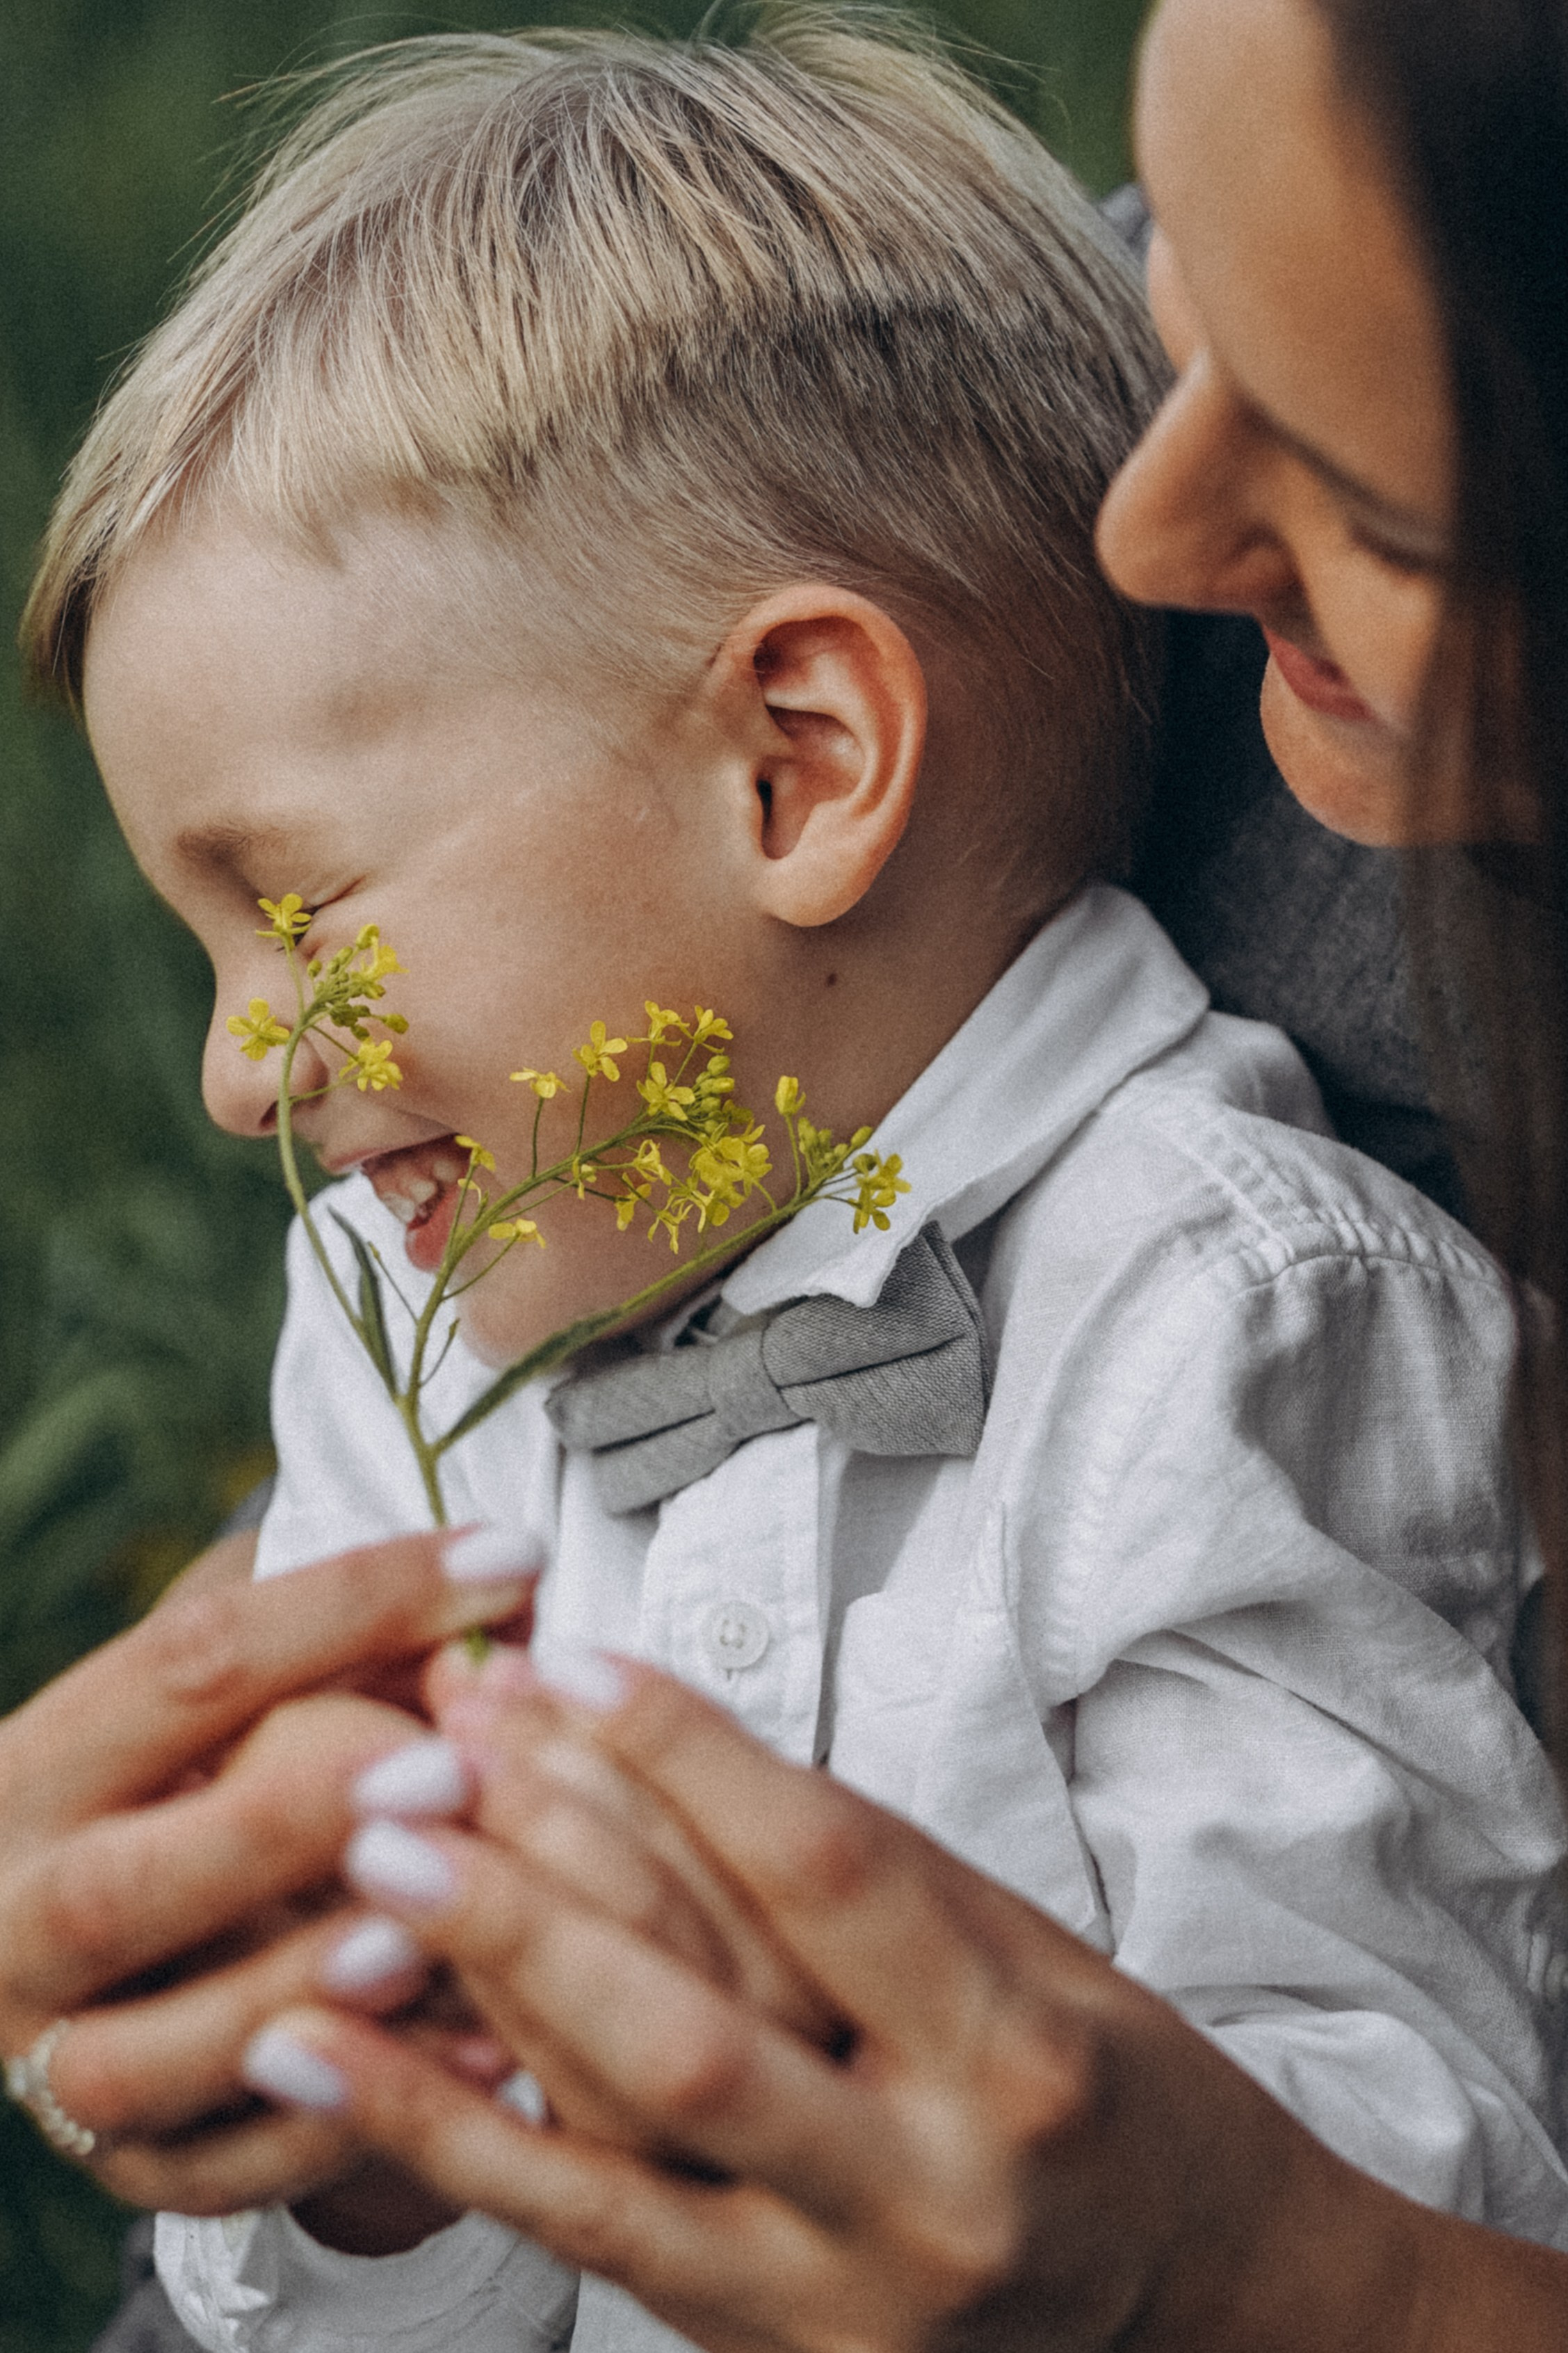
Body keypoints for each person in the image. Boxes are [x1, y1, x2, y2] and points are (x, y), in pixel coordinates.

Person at [8, 8, 1568, 2352]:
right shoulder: (408, 1313)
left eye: (297, 910)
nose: (249, 1071)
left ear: (798, 764)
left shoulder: (1226, 1312)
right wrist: (348, 2138)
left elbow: (1398, 2143)